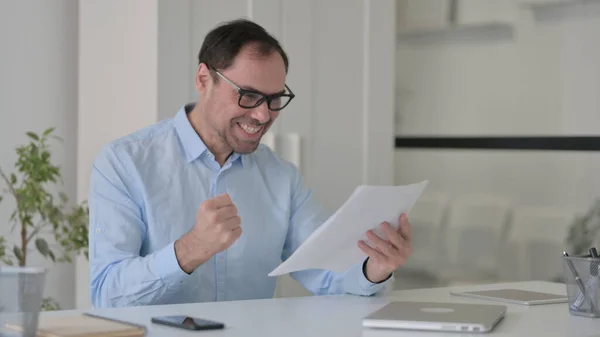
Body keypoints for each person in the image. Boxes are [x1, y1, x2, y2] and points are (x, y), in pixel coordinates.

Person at [88, 18, 412, 308]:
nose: (263, 115)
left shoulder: (282, 179)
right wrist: (190, 250)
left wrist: (374, 268)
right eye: (248, 95)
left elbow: (329, 273)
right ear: (204, 79)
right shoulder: (124, 163)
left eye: (274, 99)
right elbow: (107, 295)